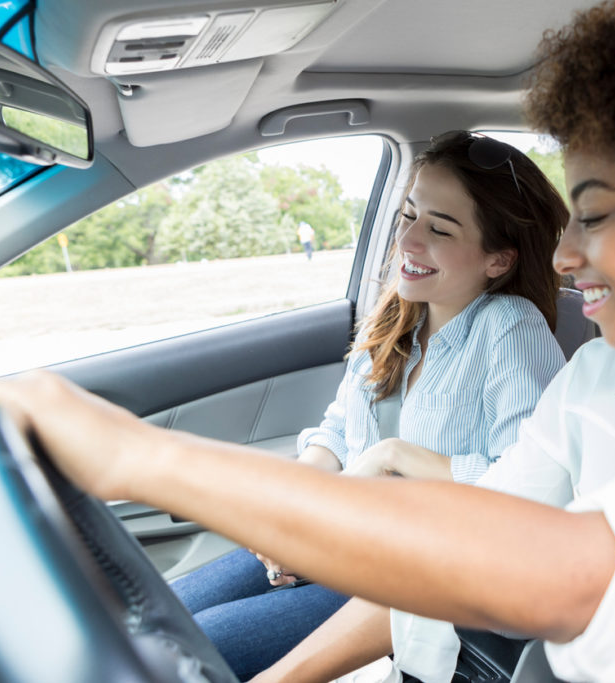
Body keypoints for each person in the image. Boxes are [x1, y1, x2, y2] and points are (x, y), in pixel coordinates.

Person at [0, 1, 615, 681]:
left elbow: (572, 571)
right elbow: (463, 553)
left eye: (592, 215)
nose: (568, 256)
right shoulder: (601, 380)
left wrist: (141, 454)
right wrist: (284, 672)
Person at [166, 130, 569, 679]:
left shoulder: (510, 331)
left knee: (187, 652)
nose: (409, 241)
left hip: (406, 573)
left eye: (439, 229)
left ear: (497, 260)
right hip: (340, 535)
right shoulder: (397, 315)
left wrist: (397, 456)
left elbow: (527, 489)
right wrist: (295, 506)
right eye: (408, 216)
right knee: (155, 614)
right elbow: (336, 430)